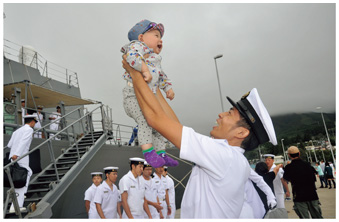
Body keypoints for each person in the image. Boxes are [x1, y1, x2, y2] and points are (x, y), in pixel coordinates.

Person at [121, 60, 278, 218]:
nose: (221, 115)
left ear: (241, 133)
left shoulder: (223, 155)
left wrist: (134, 73)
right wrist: (154, 87)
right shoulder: (235, 159)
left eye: (229, 113)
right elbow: (174, 126)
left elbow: (154, 118)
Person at [121, 19, 178, 168]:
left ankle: (161, 153)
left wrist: (168, 88)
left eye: (160, 37)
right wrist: (144, 69)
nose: (160, 40)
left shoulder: (155, 58)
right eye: (156, 35)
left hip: (149, 96)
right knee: (145, 121)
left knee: (158, 124)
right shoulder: (137, 46)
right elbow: (132, 58)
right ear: (141, 38)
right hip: (133, 96)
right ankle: (149, 152)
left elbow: (162, 75)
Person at [7, 115, 37, 213]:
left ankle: (17, 197)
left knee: (23, 176)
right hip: (21, 157)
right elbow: (24, 142)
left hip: (13, 157)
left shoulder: (17, 131)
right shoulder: (29, 130)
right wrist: (17, 154)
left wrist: (14, 154)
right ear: (32, 122)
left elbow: (9, 145)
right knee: (22, 179)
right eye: (35, 123)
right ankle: (16, 206)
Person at [283, 146, 323, 218]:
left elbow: (285, 179)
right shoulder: (308, 164)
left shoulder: (288, 167)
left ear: (289, 155)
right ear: (299, 153)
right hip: (312, 195)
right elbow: (314, 179)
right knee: (318, 217)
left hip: (299, 196)